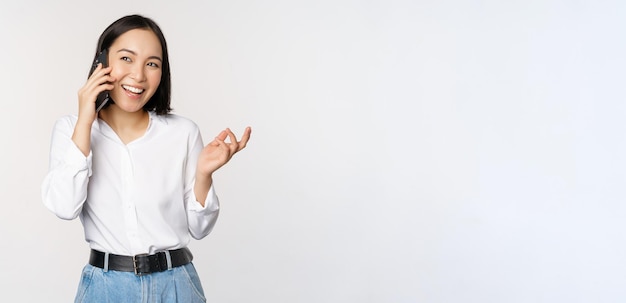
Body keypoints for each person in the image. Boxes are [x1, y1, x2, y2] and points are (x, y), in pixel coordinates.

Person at [41, 14, 251, 302]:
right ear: (101, 62)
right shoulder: (71, 129)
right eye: (126, 58)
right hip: (106, 288)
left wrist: (204, 174)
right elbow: (64, 206)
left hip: (176, 285)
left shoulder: (183, 133)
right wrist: (85, 122)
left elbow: (200, 229)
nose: (138, 75)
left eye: (152, 64)